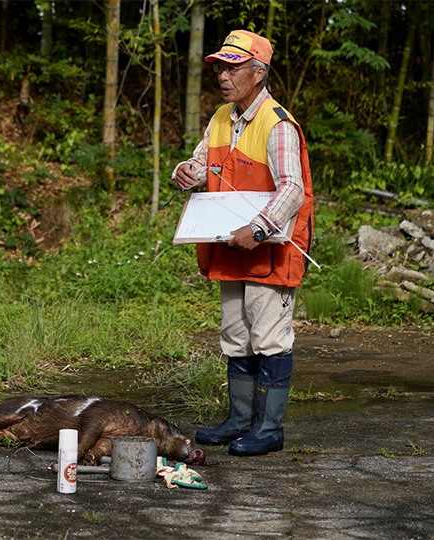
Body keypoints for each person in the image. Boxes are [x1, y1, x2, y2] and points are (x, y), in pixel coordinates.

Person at [172, 30, 314, 456]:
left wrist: (256, 229)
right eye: (220, 66)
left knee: (269, 337)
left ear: (258, 72)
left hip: (269, 247)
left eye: (232, 66)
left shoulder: (278, 124)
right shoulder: (220, 118)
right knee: (235, 334)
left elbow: (293, 191)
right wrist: (187, 171)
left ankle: (269, 428)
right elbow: (204, 164)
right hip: (230, 245)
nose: (222, 74)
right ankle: (239, 420)